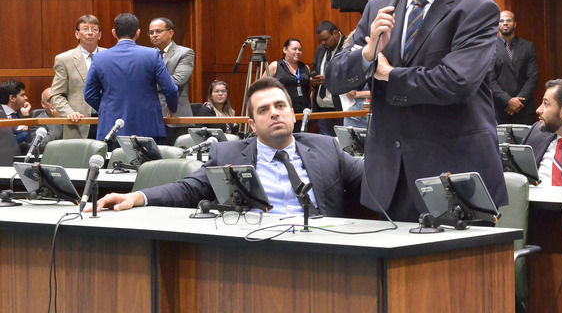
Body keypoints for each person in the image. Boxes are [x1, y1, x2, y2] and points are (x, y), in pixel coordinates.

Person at [326, 0, 508, 222]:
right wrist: (368, 54)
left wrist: (389, 74)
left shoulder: (476, 9)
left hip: (454, 175)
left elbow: (456, 82)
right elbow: (334, 78)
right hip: (390, 178)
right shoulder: (379, 7)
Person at [90, 77, 364, 218]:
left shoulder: (327, 147)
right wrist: (137, 197)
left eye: (280, 106)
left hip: (321, 244)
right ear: (251, 124)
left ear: (292, 114)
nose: (274, 113)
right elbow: (188, 188)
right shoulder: (228, 154)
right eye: (264, 110)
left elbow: (372, 178)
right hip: (254, 246)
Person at [84, 13, 179, 144]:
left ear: (114, 33)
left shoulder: (100, 58)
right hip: (148, 126)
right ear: (138, 33)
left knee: (113, 158)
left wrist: (108, 108)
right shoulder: (152, 55)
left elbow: (89, 94)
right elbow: (170, 89)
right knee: (149, 159)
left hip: (111, 128)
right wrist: (172, 108)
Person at [50, 14, 105, 139]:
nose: (90, 33)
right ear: (77, 34)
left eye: (94, 29)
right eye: (85, 29)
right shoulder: (64, 59)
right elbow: (56, 95)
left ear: (99, 35)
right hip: (79, 123)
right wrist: (69, 113)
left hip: (106, 121)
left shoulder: (109, 56)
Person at [148, 17, 195, 144]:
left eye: (158, 31)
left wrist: (148, 86)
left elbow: (178, 80)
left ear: (170, 33)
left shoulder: (184, 53)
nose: (154, 35)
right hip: (152, 116)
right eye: (151, 32)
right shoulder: (148, 54)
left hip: (176, 115)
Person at [490, 10, 539, 125]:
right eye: (501, 21)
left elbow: (533, 77)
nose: (505, 23)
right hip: (500, 109)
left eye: (509, 20)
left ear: (515, 24)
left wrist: (518, 102)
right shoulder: (490, 47)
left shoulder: (527, 46)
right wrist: (508, 100)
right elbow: (489, 79)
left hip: (524, 109)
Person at [266, 38, 312, 130]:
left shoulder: (305, 67)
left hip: (303, 112)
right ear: (285, 50)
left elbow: (310, 90)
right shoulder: (275, 66)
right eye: (294, 49)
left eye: (300, 50)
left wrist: (311, 108)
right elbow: (263, 87)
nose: (297, 52)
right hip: (282, 111)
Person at [311, 21, 346, 135]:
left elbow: (351, 74)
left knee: (342, 143)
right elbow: (315, 68)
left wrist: (329, 79)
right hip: (322, 108)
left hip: (341, 108)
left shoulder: (347, 47)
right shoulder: (321, 49)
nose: (323, 43)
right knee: (325, 144)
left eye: (325, 39)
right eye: (320, 40)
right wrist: (314, 79)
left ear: (335, 34)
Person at [0, 80, 31, 153]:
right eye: (22, 95)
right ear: (12, 98)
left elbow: (31, 134)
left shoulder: (21, 112)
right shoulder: (0, 113)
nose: (26, 98)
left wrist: (26, 116)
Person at [30, 87, 64, 152]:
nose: (55, 104)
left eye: (57, 100)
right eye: (50, 101)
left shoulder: (70, 116)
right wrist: (59, 121)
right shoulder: (37, 122)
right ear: (43, 104)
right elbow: (41, 146)